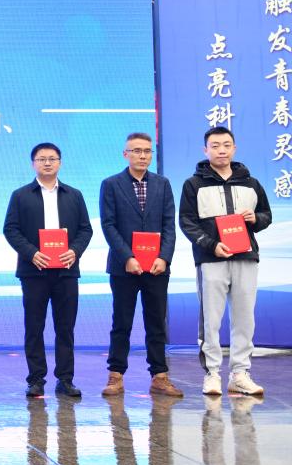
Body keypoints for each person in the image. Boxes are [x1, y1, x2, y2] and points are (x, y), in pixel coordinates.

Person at [179, 126, 271, 396]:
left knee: (245, 318)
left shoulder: (251, 183)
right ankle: (212, 374)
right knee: (211, 319)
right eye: (215, 145)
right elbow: (187, 222)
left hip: (246, 258)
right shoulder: (193, 184)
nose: (221, 150)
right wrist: (211, 245)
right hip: (211, 259)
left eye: (226, 145)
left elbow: (266, 215)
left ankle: (240, 374)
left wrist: (256, 219)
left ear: (234, 148)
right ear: (205, 150)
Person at [3, 142, 93, 398]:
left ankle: (65, 379)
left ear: (60, 163)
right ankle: (36, 379)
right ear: (33, 163)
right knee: (34, 327)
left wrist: (75, 251)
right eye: (41, 159)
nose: (47, 163)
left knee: (65, 328)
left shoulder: (74, 195)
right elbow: (11, 229)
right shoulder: (21, 195)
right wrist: (32, 253)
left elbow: (85, 229)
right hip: (34, 272)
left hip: (66, 271)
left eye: (52, 158)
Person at [99, 133, 183, 398]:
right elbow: (108, 225)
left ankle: (160, 376)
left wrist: (164, 257)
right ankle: (116, 375)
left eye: (147, 151)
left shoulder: (162, 184)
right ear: (126, 154)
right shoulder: (111, 184)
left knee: (156, 322)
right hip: (124, 267)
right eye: (136, 151)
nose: (142, 156)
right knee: (121, 322)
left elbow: (169, 224)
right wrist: (127, 257)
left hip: (156, 266)